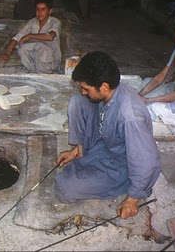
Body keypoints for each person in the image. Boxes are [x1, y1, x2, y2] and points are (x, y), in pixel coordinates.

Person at [54, 51, 161, 219]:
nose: (83, 91)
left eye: (86, 88)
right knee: (77, 101)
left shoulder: (130, 117)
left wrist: (133, 200)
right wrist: (76, 150)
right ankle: (83, 153)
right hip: (106, 144)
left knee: (64, 188)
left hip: (122, 163)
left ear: (103, 86)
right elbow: (93, 115)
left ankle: (123, 184)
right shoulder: (110, 92)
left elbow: (147, 161)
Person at [0, 0, 61, 74]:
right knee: (22, 47)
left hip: (51, 61)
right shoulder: (32, 22)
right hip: (35, 60)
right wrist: (7, 53)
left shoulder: (55, 22)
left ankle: (44, 72)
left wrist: (30, 36)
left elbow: (50, 37)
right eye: (37, 9)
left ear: (50, 11)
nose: (40, 12)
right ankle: (33, 71)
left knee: (39, 46)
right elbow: (18, 37)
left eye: (43, 9)